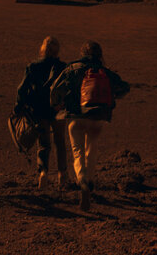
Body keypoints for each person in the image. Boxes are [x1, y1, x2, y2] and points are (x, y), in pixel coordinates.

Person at [49, 40, 129, 211]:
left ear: (82, 53)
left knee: (78, 153)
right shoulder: (105, 72)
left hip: (75, 117)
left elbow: (55, 90)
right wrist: (111, 97)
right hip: (97, 117)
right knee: (91, 150)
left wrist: (57, 104)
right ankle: (90, 181)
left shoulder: (72, 69)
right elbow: (124, 88)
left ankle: (82, 180)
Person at [14, 36, 69, 190]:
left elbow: (21, 89)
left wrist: (18, 107)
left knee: (43, 144)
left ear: (43, 49)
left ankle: (43, 172)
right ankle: (62, 174)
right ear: (57, 50)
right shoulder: (63, 67)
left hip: (39, 111)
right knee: (60, 142)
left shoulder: (33, 67)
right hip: (58, 111)